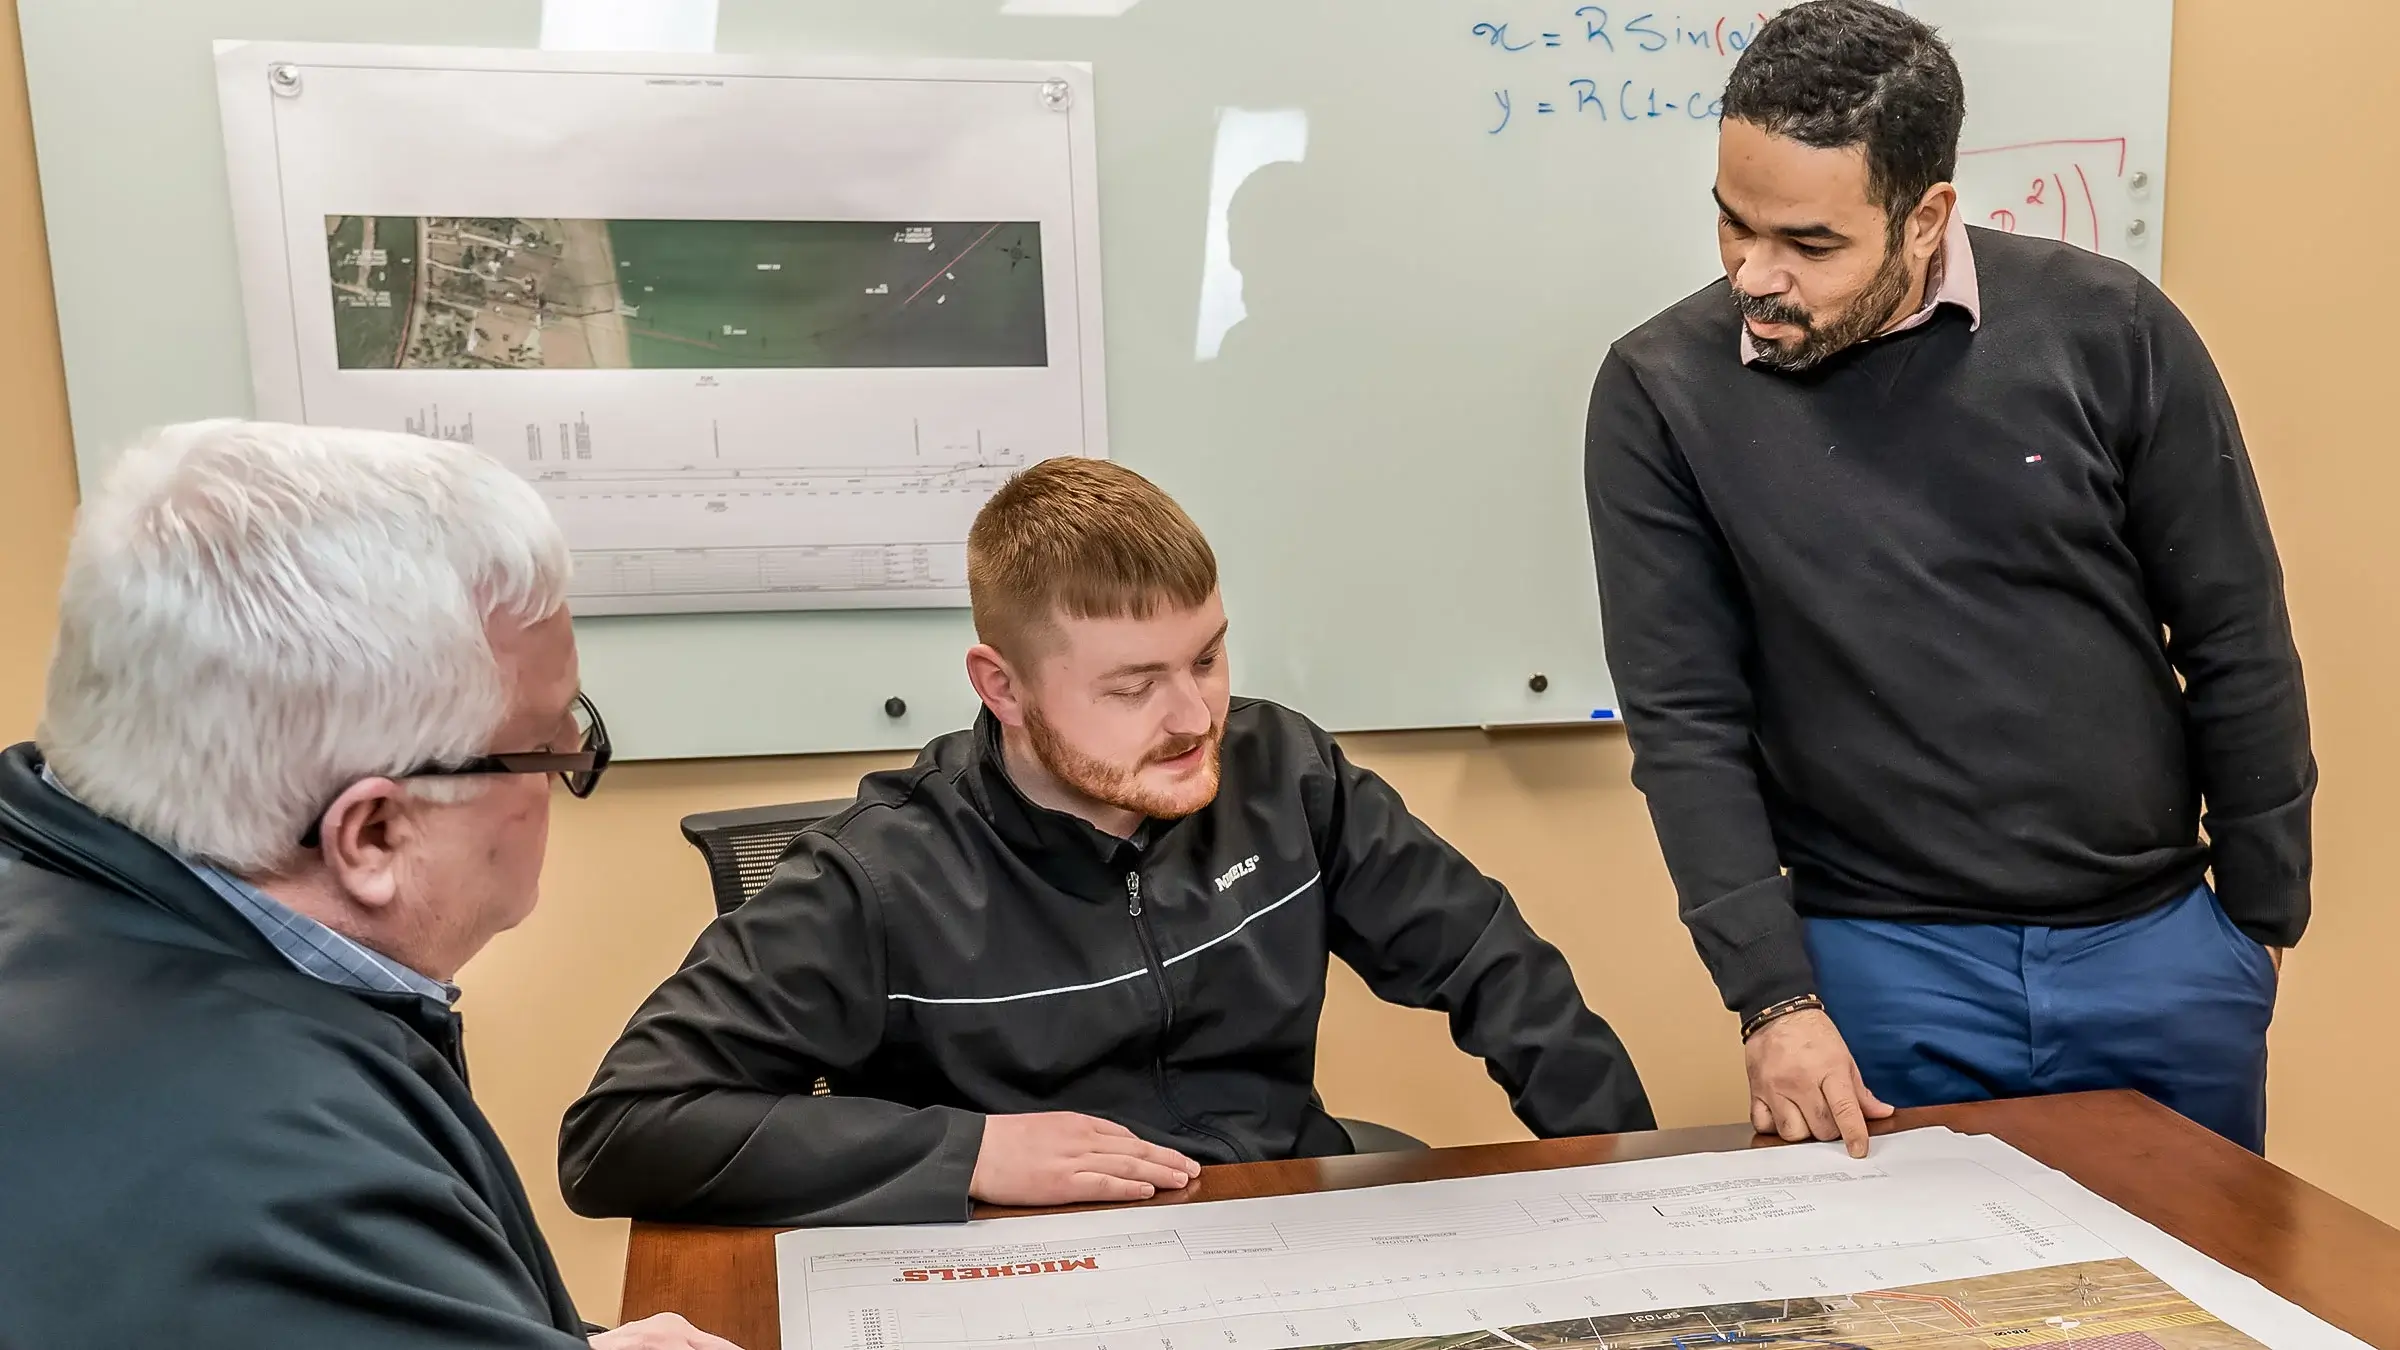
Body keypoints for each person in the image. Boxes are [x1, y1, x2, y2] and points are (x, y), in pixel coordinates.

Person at [1583, 0, 2312, 1160]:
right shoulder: (1660, 393)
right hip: (1879, 971)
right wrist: (1774, 998)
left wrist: (2260, 922)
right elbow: (1687, 726)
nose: (1756, 277)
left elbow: (2234, 629)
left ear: (1926, 217)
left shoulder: (2109, 326)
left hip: (2159, 949)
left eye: (1811, 245)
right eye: (1734, 225)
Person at [561, 456, 1655, 1227]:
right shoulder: (880, 878)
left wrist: (1649, 1198)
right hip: (1039, 1266)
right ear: (1005, 688)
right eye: (1133, 685)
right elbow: (622, 1132)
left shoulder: (1286, 775)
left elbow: (1494, 968)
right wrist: (971, 1153)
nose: (1194, 717)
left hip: (1269, 1224)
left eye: (1209, 658)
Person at [0, 421, 742, 1349]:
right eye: (549, 742)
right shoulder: (290, 1176)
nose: (570, 766)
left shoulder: (56, 897)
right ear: (373, 833)